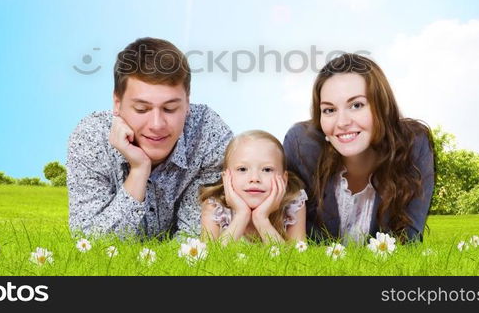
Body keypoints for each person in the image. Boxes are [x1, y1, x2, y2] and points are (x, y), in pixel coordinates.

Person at [67, 37, 233, 238]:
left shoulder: (209, 136)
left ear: (187, 103)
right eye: (141, 109)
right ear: (117, 103)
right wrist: (138, 171)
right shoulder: (91, 138)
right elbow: (88, 241)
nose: (157, 124)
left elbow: (193, 241)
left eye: (170, 109)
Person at [283, 53, 434, 244]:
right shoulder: (301, 147)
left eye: (356, 105)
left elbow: (408, 243)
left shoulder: (413, 145)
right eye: (329, 110)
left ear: (382, 107)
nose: (342, 122)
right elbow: (286, 236)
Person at [200, 130, 307, 244]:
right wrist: (242, 215)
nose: (254, 178)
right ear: (226, 177)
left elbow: (296, 260)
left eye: (267, 170)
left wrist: (261, 219)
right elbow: (210, 259)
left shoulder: (292, 205)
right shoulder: (214, 207)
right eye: (242, 169)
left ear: (284, 179)